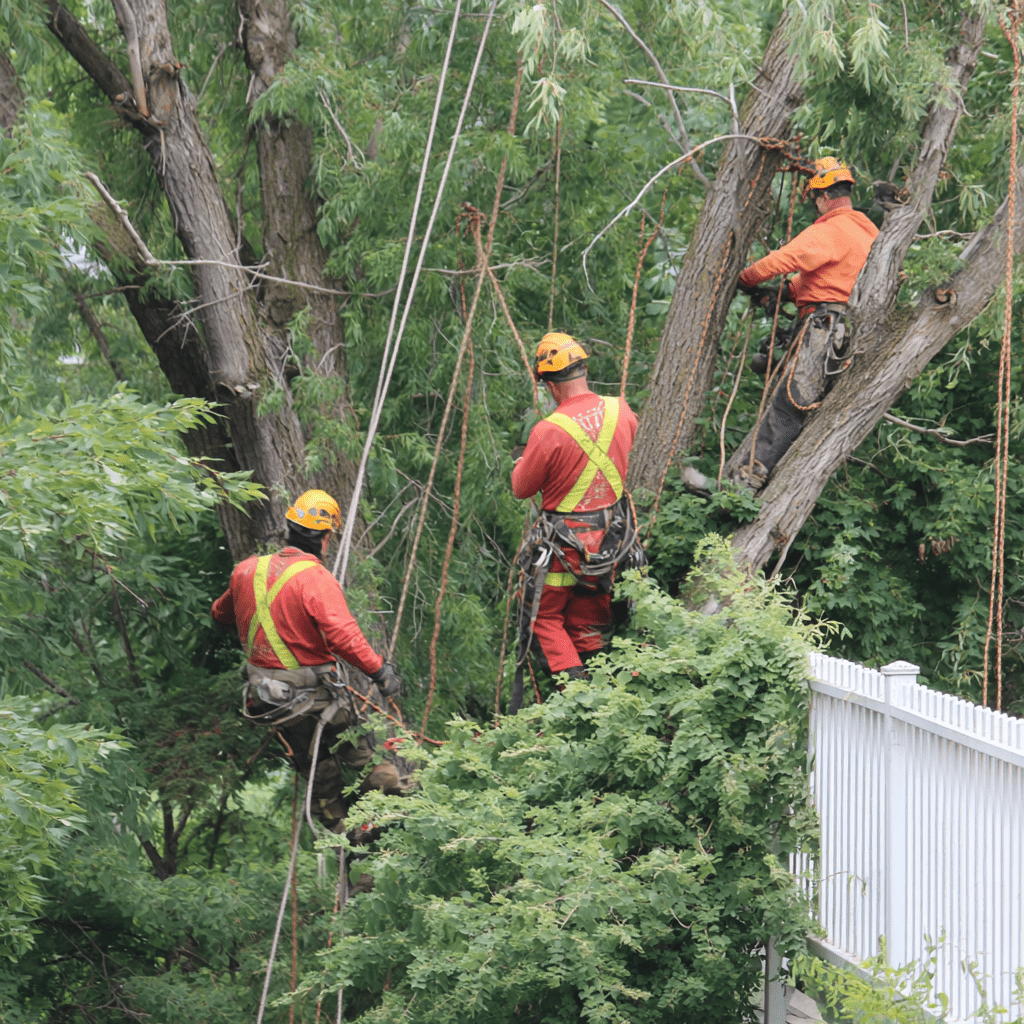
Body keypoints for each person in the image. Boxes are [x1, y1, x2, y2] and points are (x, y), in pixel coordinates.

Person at [211, 489, 407, 830]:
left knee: (322, 780)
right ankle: (387, 829)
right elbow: (343, 637)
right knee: (370, 766)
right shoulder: (315, 579)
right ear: (326, 537)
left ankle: (349, 850)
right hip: (318, 700)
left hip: (271, 703)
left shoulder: (245, 572)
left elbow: (219, 613)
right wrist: (380, 672)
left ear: (288, 526)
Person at [508, 333, 644, 711]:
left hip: (563, 549)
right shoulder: (622, 411)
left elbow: (522, 488)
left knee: (545, 618)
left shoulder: (548, 430)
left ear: (550, 385)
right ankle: (603, 698)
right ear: (584, 369)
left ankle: (579, 700)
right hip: (611, 545)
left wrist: (522, 463)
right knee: (588, 622)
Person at [730, 156, 879, 490]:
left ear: (822, 197)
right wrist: (784, 293)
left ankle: (745, 483)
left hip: (822, 328)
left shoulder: (829, 228)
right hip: (840, 325)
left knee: (790, 404)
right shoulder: (865, 229)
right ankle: (743, 474)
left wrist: (746, 278)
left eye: (815, 200)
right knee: (784, 392)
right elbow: (832, 277)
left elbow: (787, 258)